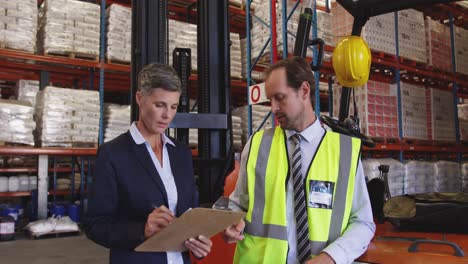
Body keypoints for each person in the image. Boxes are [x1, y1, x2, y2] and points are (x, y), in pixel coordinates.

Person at [224, 57, 375, 264]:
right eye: (270, 100)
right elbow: (238, 204)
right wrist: (230, 223)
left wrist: (331, 258)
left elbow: (363, 222)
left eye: (280, 98)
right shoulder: (257, 144)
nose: (274, 108)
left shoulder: (344, 151)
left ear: (304, 91)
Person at [85, 63, 212, 263]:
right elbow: (95, 225)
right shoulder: (113, 154)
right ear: (140, 99)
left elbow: (189, 214)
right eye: (159, 105)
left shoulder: (181, 153)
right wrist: (142, 230)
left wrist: (199, 242)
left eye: (173, 107)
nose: (167, 115)